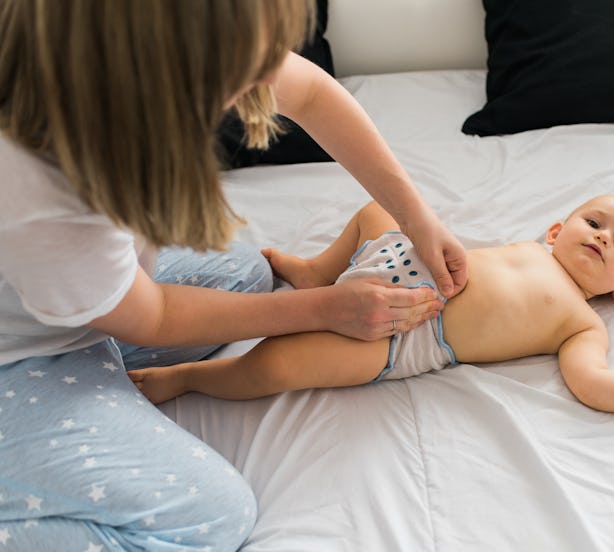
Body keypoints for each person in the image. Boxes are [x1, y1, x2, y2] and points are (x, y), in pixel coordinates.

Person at [0, 0, 466, 549]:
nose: (270, 74)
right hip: (20, 359)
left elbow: (309, 92)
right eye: (248, 62)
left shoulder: (103, 73)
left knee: (248, 271)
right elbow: (151, 316)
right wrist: (322, 310)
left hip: (62, 306)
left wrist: (417, 216)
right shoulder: (40, 187)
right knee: (210, 519)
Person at [130, 195, 614, 432]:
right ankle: (318, 271)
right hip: (402, 258)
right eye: (595, 222)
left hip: (408, 334)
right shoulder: (531, 249)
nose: (603, 238)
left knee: (279, 365)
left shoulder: (581, 322)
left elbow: (593, 384)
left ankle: (188, 377)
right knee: (374, 208)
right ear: (555, 229)